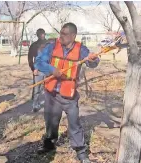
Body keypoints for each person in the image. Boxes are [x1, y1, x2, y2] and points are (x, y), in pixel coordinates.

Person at [34, 22, 100, 163]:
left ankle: (81, 152)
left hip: (69, 96)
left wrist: (94, 59)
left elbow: (92, 62)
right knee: (51, 121)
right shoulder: (52, 46)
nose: (61, 36)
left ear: (73, 35)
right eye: (60, 33)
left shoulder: (81, 50)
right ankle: (49, 144)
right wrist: (51, 69)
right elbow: (38, 62)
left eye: (64, 34)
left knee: (74, 123)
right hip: (51, 93)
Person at [28, 28, 48, 112]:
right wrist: (33, 69)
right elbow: (30, 58)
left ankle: (49, 104)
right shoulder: (34, 45)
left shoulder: (49, 44)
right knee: (37, 89)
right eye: (40, 34)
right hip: (38, 70)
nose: (42, 35)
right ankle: (35, 105)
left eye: (43, 34)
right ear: (37, 35)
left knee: (49, 88)